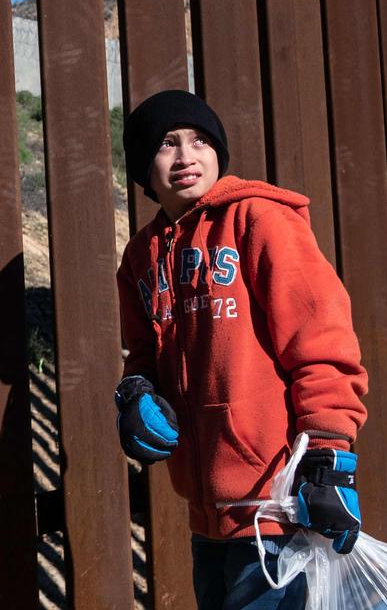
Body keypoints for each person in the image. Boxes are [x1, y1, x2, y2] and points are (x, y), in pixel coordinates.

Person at [113, 90, 368, 610]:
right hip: (207, 516)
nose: (186, 157)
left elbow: (320, 341)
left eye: (199, 141)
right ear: (144, 165)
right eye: (167, 144)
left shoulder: (259, 220)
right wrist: (137, 393)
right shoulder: (141, 257)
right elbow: (142, 351)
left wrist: (328, 459)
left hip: (277, 507)